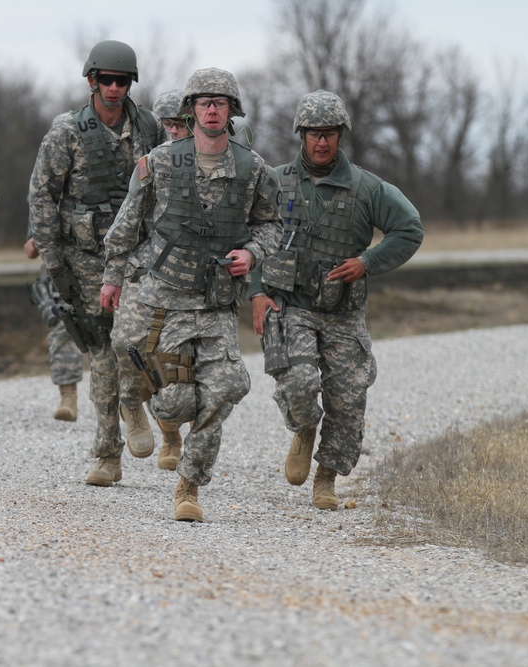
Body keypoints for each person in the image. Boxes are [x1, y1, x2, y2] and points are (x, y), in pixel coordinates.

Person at [101, 68, 282, 521]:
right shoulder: (160, 162)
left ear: (232, 110)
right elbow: (127, 224)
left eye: (221, 102)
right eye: (204, 102)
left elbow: (273, 225)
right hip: (162, 295)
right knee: (173, 398)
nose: (212, 109)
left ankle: (189, 487)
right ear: (191, 110)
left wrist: (252, 253)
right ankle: (145, 412)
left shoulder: (252, 168)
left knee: (227, 387)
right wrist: (112, 278)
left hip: (216, 300)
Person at [249, 90, 423, 510]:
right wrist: (256, 291)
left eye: (329, 134)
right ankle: (304, 428)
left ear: (340, 135)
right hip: (291, 307)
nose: (321, 142)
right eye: (313, 134)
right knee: (302, 384)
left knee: (348, 398)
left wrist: (367, 261)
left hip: (343, 312)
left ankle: (326, 478)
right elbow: (249, 236)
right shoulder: (275, 182)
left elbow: (409, 228)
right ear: (301, 135)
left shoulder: (367, 188)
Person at [28, 39, 164, 486]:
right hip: (85, 257)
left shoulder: (148, 128)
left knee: (139, 343)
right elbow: (43, 196)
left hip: (138, 255)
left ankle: (134, 403)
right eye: (106, 79)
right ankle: (108, 454)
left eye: (122, 81)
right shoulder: (67, 131)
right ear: (91, 80)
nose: (114, 88)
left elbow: (168, 185)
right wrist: (53, 261)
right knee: (103, 352)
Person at [24, 234, 84, 421]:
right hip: (64, 260)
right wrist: (33, 235)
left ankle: (126, 401)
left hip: (108, 259)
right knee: (64, 324)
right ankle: (68, 397)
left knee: (117, 329)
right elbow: (31, 248)